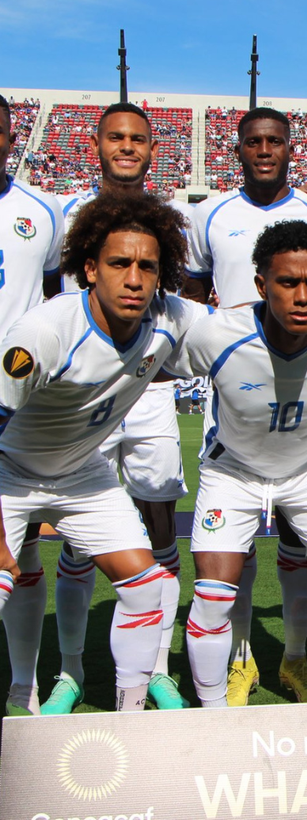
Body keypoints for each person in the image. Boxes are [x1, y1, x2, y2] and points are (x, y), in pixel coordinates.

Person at [0, 193, 208, 712]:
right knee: (5, 575)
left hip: (81, 475)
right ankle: (22, 690)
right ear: (90, 269)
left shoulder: (169, 316)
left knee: (146, 586)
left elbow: (245, 322)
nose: (135, 279)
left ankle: (129, 713)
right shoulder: (42, 334)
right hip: (8, 471)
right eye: (120, 264)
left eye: (148, 267)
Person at [170, 220, 307, 706]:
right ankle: (215, 713)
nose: (303, 296)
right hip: (233, 473)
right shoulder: (216, 336)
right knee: (213, 597)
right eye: (288, 283)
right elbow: (150, 361)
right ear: (262, 286)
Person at [43, 102, 192, 714]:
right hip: (84, 396)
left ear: (154, 149)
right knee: (79, 540)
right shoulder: (62, 212)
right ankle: (71, 673)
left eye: (138, 139)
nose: (126, 147)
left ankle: (156, 667)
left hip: (151, 391)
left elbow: (191, 303)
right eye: (115, 137)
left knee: (160, 523)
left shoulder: (175, 217)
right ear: (96, 143)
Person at [187, 107, 307, 706]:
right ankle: (241, 661)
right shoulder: (210, 215)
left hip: (301, 405)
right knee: (238, 544)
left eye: (276, 141)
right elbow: (197, 299)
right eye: (255, 142)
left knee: (300, 542)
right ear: (239, 148)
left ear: (290, 147)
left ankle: (295, 660)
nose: (266, 150)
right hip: (236, 402)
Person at [0, 94, 64, 716]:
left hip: (17, 402)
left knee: (18, 551)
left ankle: (25, 677)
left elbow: (51, 300)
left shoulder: (41, 211)